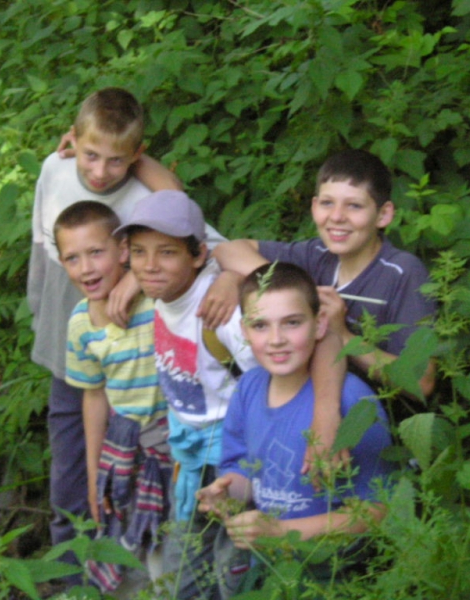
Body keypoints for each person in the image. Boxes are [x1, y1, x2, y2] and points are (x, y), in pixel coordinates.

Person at [27, 87, 233, 557]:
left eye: (116, 161)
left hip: (136, 360)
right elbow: (41, 249)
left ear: (138, 156)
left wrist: (137, 280)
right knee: (69, 464)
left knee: (135, 463)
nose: (100, 172)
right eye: (90, 155)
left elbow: (194, 235)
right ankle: (71, 569)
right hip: (69, 341)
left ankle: (130, 558)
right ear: (73, 141)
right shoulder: (54, 169)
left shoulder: (147, 195)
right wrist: (40, 314)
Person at [115, 190, 345, 600]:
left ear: (199, 255)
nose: (150, 265)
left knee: (233, 567)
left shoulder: (220, 312)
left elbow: (274, 376)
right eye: (139, 252)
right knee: (184, 564)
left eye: (166, 252)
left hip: (234, 459)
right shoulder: (164, 296)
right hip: (190, 455)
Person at [197, 261, 394, 595]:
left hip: (338, 575)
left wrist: (283, 530)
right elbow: (246, 473)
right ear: (244, 331)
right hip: (274, 569)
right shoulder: (249, 387)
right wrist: (225, 493)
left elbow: (379, 511)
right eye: (260, 325)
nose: (276, 340)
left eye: (291, 323)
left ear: (319, 324)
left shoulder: (352, 401)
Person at [213, 149, 437, 413]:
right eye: (327, 203)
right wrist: (291, 289)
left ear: (383, 215)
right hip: (312, 408)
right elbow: (228, 250)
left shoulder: (402, 272)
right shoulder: (318, 254)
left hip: (380, 425)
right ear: (314, 206)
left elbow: (422, 382)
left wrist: (343, 336)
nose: (337, 216)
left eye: (354, 205)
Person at [55, 201, 170, 593]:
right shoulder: (80, 325)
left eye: (95, 252)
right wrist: (93, 476)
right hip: (124, 449)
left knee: (172, 543)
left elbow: (204, 253)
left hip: (173, 440)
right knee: (126, 539)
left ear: (122, 250)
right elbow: (93, 397)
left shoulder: (156, 298)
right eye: (72, 258)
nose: (85, 268)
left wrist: (138, 278)